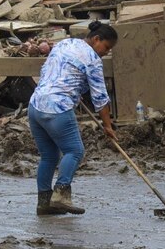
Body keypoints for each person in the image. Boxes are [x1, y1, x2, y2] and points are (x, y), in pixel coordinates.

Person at [28, 22, 118, 215]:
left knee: (49, 156)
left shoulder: (64, 44)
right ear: (96, 39)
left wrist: (77, 90)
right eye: (107, 47)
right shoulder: (93, 59)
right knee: (75, 151)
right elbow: (100, 98)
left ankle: (44, 202)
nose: (106, 52)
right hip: (58, 108)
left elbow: (46, 71)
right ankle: (61, 194)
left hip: (35, 105)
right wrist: (108, 126)